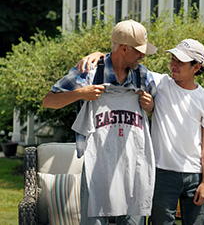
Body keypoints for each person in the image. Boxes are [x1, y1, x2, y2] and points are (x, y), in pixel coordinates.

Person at [79, 39, 204, 225]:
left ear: (196, 67)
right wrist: (99, 55)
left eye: (180, 62)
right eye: (173, 59)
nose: (173, 65)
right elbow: (125, 61)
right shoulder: (160, 83)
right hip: (162, 173)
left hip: (195, 175)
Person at [43, 19, 158, 225]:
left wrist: (149, 107)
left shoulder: (143, 75)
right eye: (139, 51)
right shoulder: (89, 72)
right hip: (98, 165)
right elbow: (49, 101)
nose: (143, 55)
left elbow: (158, 109)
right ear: (123, 49)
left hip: (134, 164)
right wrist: (80, 94)